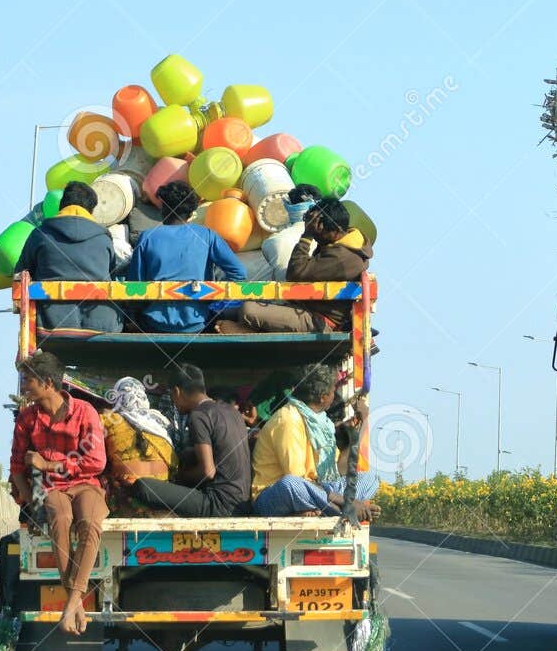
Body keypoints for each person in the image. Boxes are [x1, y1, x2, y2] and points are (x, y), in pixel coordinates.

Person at [8, 351, 108, 634]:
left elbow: (96, 462)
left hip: (87, 484)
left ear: (47, 383)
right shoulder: (27, 419)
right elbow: (16, 465)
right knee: (59, 520)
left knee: (89, 524)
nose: (24, 386)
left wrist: (48, 463)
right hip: (52, 490)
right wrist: (29, 500)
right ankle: (74, 603)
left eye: (28, 380)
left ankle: (72, 601)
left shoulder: (85, 412)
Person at [215, 198, 371, 334]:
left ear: (334, 230)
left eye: (318, 229)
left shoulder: (342, 257)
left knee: (248, 310)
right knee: (230, 310)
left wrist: (307, 235)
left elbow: (295, 273)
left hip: (319, 320)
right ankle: (248, 327)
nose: (316, 233)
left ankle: (248, 330)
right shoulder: (341, 244)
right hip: (302, 306)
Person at [250, 364, 378, 520]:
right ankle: (343, 510)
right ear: (323, 397)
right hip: (274, 496)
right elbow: (296, 478)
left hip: (318, 490)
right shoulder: (288, 420)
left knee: (369, 478)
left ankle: (330, 508)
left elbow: (339, 471)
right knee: (291, 484)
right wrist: (345, 500)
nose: (334, 395)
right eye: (333, 391)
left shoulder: (322, 423)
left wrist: (361, 425)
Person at [130, 364, 252, 517]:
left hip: (219, 505)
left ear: (176, 391)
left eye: (172, 396)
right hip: (244, 504)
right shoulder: (232, 412)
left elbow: (207, 472)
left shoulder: (199, 415)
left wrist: (177, 476)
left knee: (142, 486)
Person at [126, 180, 246, 333]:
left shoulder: (147, 237)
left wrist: (133, 315)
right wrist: (216, 306)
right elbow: (239, 274)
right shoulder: (207, 235)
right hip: (199, 322)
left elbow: (135, 286)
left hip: (154, 323)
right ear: (191, 212)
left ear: (163, 208)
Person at [14, 181, 121, 332]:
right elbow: (112, 274)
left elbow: (20, 276)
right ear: (90, 210)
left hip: (49, 323)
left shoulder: (40, 234)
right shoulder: (104, 239)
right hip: (102, 325)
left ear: (62, 205)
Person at [98, 376, 176, 515]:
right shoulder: (161, 421)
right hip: (163, 491)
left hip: (130, 493)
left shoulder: (109, 420)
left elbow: (96, 456)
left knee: (104, 475)